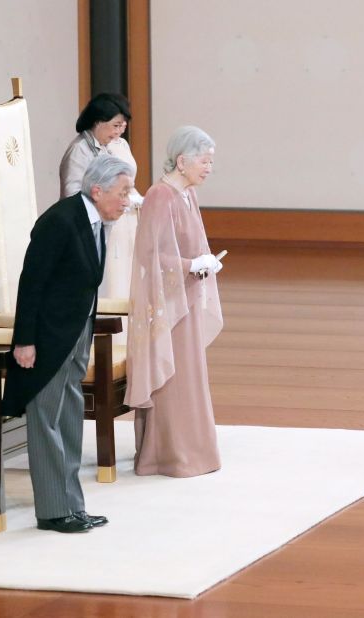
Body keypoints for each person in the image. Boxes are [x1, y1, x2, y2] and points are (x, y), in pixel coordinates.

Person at [3, 155, 134, 533]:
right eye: (122, 192)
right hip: (47, 339)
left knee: (71, 418)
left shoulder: (95, 222)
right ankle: (52, 510)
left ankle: (72, 505)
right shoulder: (59, 222)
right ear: (98, 190)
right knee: (46, 420)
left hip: (76, 334)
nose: (127, 200)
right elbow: (32, 284)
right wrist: (25, 341)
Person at [124, 125, 223, 477]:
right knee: (175, 378)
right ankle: (168, 455)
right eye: (204, 161)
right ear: (182, 161)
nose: (209, 167)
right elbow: (149, 256)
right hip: (167, 304)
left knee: (191, 375)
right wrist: (190, 265)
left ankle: (195, 451)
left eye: (211, 161)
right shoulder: (159, 196)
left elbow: (191, 245)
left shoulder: (187, 195)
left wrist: (204, 262)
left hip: (187, 296)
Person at [59, 92, 143, 301]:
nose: (119, 131)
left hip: (124, 224)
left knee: (127, 283)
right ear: (98, 121)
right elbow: (73, 195)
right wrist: (116, 199)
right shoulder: (80, 150)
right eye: (115, 125)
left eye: (122, 126)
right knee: (109, 287)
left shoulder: (115, 146)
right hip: (98, 228)